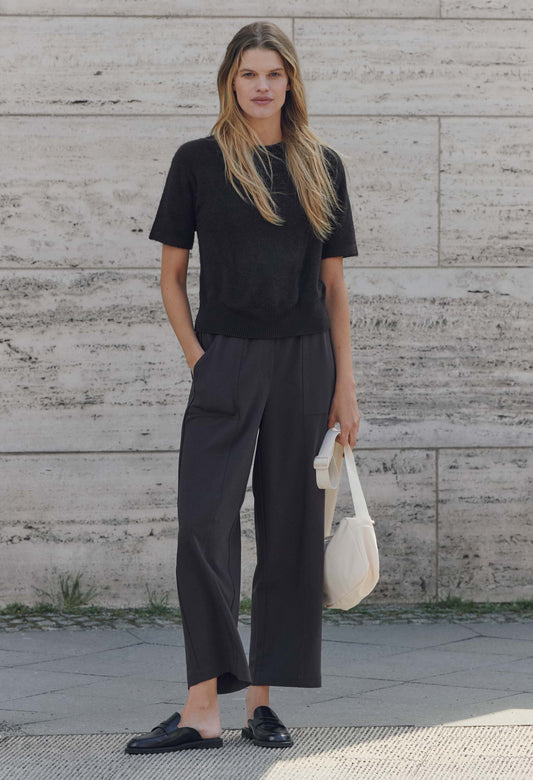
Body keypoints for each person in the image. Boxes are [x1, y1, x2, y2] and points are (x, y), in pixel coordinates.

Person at [125, 20, 361, 754]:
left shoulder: (321, 164)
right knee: (203, 526)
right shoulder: (197, 162)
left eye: (274, 74)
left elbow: (333, 288)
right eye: (249, 73)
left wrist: (345, 387)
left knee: (290, 530)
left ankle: (261, 702)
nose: (262, 86)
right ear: (230, 81)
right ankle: (202, 709)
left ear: (290, 83)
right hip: (225, 360)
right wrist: (200, 359)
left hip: (303, 364)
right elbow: (169, 276)